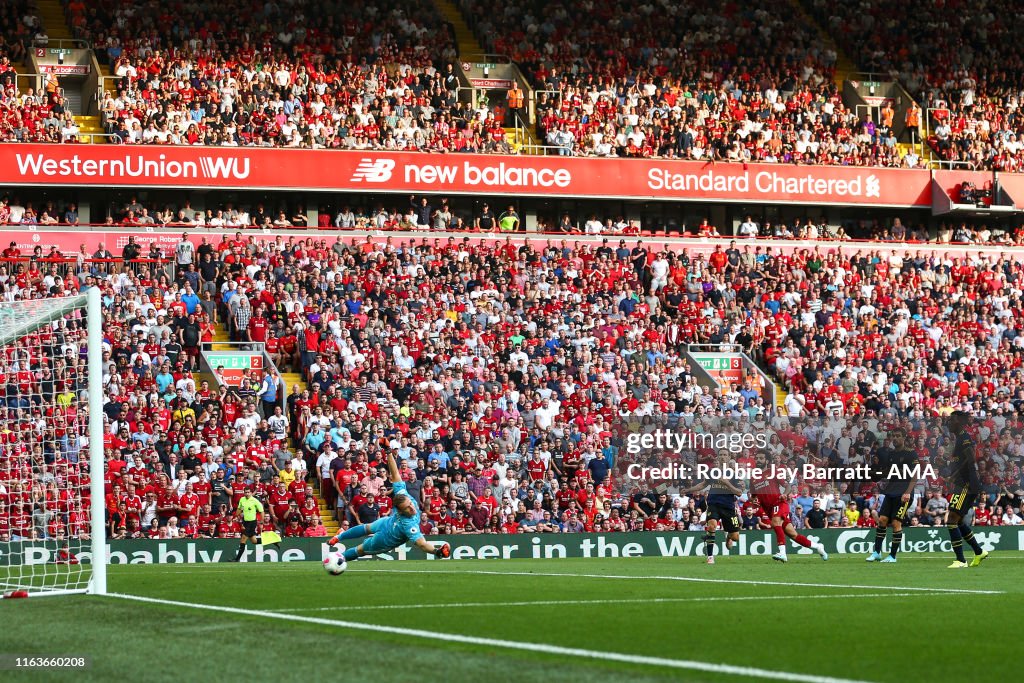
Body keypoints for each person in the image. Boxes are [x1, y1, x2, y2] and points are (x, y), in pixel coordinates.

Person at [327, 450, 450, 561]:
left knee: (367, 528)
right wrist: (437, 552)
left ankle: (340, 538)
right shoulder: (409, 524)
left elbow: (395, 473)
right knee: (361, 548)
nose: (412, 507)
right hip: (384, 539)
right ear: (400, 512)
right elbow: (422, 544)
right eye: (407, 507)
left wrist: (389, 453)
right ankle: (338, 560)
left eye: (410, 504)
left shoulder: (403, 495)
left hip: (388, 524)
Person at [751, 470, 828, 562]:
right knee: (793, 535)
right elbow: (753, 496)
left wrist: (784, 494)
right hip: (770, 510)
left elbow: (788, 486)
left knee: (775, 523)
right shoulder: (753, 478)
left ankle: (782, 554)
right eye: (757, 458)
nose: (759, 460)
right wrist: (754, 500)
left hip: (779, 503)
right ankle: (818, 546)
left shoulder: (772, 472)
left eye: (762, 457)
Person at [866, 429, 918, 563]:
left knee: (896, 523)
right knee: (882, 520)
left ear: (904, 437)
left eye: (898, 436)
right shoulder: (890, 454)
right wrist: (875, 474)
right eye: (893, 436)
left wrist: (907, 492)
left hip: (904, 493)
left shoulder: (911, 454)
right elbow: (889, 472)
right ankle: (877, 552)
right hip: (891, 491)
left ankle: (892, 556)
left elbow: (915, 474)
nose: (895, 438)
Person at [945, 411, 989, 568]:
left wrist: (954, 475)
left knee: (951, 520)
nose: (949, 422)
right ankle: (978, 552)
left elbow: (971, 459)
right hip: (964, 484)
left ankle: (960, 560)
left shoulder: (964, 438)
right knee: (958, 520)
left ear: (959, 422)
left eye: (952, 420)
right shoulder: (959, 439)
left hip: (966, 484)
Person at [688, 456, 743, 564]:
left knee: (735, 537)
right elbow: (703, 484)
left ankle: (728, 537)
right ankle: (710, 557)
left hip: (728, 507)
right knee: (712, 525)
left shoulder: (734, 474)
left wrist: (726, 483)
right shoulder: (712, 473)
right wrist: (689, 489)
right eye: (718, 460)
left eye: (724, 457)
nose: (720, 461)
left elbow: (739, 492)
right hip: (714, 504)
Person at [230, 486, 264, 562]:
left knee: (243, 539)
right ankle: (271, 541)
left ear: (251, 493)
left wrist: (262, 520)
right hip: (245, 522)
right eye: (246, 492)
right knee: (254, 541)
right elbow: (237, 513)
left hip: (252, 522)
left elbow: (261, 510)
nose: (247, 494)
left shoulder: (255, 501)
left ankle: (237, 559)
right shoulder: (242, 500)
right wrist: (240, 510)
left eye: (249, 492)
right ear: (244, 492)